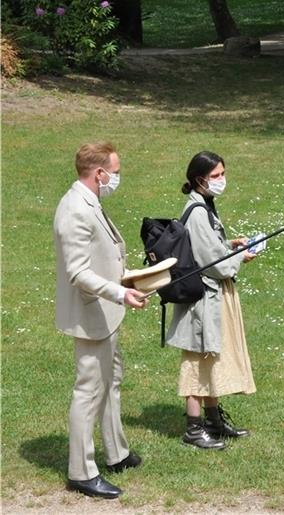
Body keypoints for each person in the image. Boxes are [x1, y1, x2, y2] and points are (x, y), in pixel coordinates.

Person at [54, 142, 147, 499]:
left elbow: (102, 256)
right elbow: (78, 272)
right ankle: (81, 471)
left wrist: (133, 277)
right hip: (91, 314)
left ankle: (116, 452)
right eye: (116, 171)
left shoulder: (89, 202)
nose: (117, 178)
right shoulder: (75, 209)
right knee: (89, 390)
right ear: (99, 174)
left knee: (111, 381)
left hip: (104, 312)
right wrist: (120, 292)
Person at [166, 151, 257, 450]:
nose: (221, 180)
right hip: (203, 297)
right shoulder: (197, 212)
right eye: (216, 176)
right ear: (199, 179)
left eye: (222, 174)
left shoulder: (204, 207)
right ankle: (194, 429)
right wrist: (239, 257)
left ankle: (213, 420)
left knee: (211, 356)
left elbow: (207, 247)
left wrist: (229, 244)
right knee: (197, 358)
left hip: (213, 295)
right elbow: (214, 264)